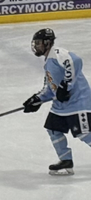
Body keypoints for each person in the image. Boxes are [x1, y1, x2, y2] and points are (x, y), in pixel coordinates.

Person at [22, 28, 91, 175]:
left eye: (39, 43)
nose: (36, 46)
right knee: (53, 129)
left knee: (84, 133)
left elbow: (75, 61)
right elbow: (50, 88)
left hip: (78, 102)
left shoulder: (58, 53)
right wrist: (36, 99)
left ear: (48, 43)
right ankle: (66, 159)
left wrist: (66, 85)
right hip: (61, 106)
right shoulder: (48, 63)